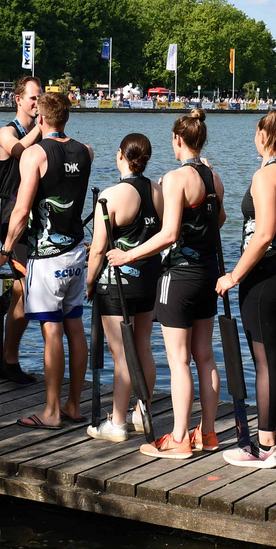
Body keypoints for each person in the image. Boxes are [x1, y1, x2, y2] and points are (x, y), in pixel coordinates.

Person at [109, 110, 224, 460]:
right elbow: (218, 220)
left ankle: (178, 437)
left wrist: (128, 256)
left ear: (177, 139)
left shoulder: (176, 178)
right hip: (207, 274)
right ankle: (207, 432)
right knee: (204, 357)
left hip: (179, 277)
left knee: (178, 361)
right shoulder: (214, 177)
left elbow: (169, 233)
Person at [0, 91, 93, 429]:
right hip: (78, 252)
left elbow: (21, 212)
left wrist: (5, 249)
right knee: (74, 326)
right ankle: (74, 405)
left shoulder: (34, 154)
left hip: (47, 257)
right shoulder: (86, 151)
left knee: (52, 331)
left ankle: (50, 411)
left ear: (42, 120)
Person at [216, 110, 276, 468]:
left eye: (255, 133)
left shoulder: (265, 176)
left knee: (265, 360)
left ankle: (265, 445)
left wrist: (233, 276)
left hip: (265, 277)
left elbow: (265, 234)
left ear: (263, 136)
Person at [84, 133, 163, 442]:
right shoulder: (158, 191)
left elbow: (98, 250)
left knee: (120, 355)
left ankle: (117, 422)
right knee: (143, 347)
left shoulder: (112, 195)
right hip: (148, 280)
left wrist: (90, 283)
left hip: (117, 284)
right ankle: (143, 411)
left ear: (121, 156)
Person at [0, 77, 45, 385]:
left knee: (24, 292)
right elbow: (19, 152)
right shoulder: (6, 132)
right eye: (32, 98)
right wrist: (42, 128)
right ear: (18, 100)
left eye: (40, 98)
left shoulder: (41, 135)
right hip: (11, 219)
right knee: (22, 289)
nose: (37, 103)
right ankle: (6, 360)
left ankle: (7, 357)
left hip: (35, 219)